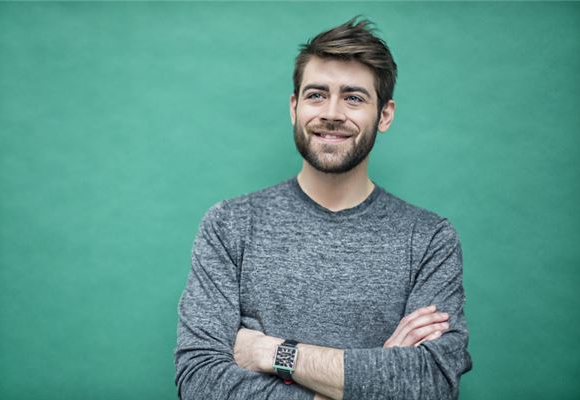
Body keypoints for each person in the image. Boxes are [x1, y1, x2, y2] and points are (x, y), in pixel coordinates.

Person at [174, 17, 472, 400]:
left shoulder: (430, 239)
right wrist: (376, 377)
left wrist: (271, 352)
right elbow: (200, 381)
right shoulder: (229, 225)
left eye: (354, 98)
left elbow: (433, 382)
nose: (332, 113)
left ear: (384, 115)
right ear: (294, 107)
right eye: (316, 95)